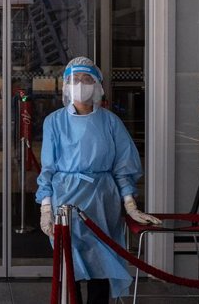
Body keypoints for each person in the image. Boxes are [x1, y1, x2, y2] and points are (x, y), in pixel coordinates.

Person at [35, 56, 161, 303]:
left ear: (97, 85)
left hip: (102, 200)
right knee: (69, 263)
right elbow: (47, 168)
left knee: (101, 262)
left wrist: (130, 205)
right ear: (65, 85)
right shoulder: (55, 122)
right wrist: (46, 207)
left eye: (86, 79)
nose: (79, 84)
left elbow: (123, 167)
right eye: (73, 79)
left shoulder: (110, 122)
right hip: (65, 200)